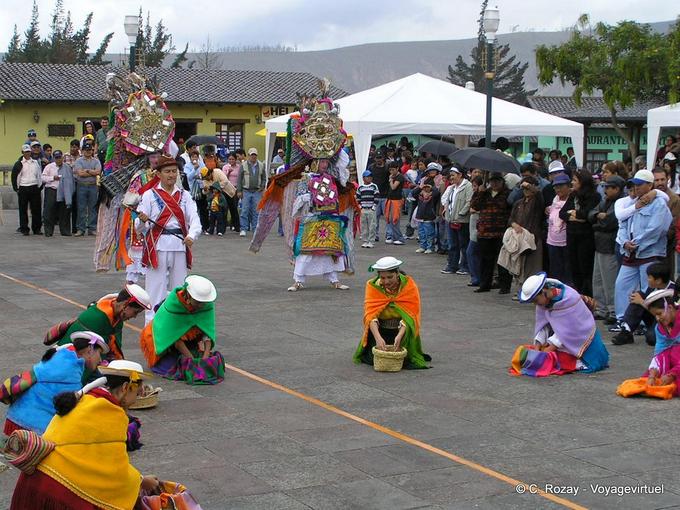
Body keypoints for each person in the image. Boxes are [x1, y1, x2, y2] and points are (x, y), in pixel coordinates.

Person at [8, 360, 164, 510]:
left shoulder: (88, 399)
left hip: (33, 483)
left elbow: (100, 460)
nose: (136, 399)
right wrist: (141, 481)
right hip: (58, 489)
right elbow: (115, 471)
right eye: (136, 392)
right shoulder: (110, 413)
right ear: (125, 387)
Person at [136, 155, 202, 323]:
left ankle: (177, 327)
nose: (172, 175)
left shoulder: (185, 195)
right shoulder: (149, 195)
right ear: (158, 174)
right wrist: (142, 220)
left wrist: (191, 235)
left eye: (174, 171)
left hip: (180, 244)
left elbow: (194, 218)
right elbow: (139, 227)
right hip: (157, 246)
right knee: (154, 290)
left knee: (179, 290)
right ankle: (151, 329)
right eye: (167, 172)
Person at [2, 332, 107, 436]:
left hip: (16, 417)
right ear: (90, 350)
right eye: (99, 353)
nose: (100, 359)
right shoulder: (71, 374)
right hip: (34, 428)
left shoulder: (60, 358)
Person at [510, 272, 610, 377]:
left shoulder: (568, 300)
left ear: (544, 292)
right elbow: (543, 326)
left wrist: (545, 353)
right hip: (560, 340)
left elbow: (566, 332)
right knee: (532, 354)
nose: (535, 304)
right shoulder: (543, 302)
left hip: (580, 340)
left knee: (554, 361)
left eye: (535, 300)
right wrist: (537, 347)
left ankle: (579, 362)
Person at [613, 170, 673, 332]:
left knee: (648, 288)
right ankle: (623, 320)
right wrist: (625, 242)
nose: (636, 188)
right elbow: (623, 223)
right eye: (635, 184)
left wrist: (636, 243)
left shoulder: (659, 203)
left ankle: (647, 322)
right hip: (630, 253)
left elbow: (657, 229)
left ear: (649, 185)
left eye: (640, 184)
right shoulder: (635, 202)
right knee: (622, 285)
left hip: (649, 252)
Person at [139, 275, 224, 385]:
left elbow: (206, 331)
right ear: (188, 296)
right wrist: (193, 362)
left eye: (204, 303)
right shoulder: (173, 307)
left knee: (205, 364)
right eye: (198, 302)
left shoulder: (206, 305)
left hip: (190, 340)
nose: (201, 306)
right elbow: (176, 340)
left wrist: (205, 358)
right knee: (174, 368)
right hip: (166, 342)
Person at [353, 257, 431, 369]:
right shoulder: (372, 286)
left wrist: (399, 336)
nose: (386, 281)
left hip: (401, 330)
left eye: (390, 277)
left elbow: (411, 315)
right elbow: (370, 315)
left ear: (397, 273)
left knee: (406, 359)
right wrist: (378, 339)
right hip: (380, 329)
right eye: (383, 278)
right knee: (372, 359)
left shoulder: (409, 286)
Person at [58, 284, 151, 360]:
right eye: (135, 312)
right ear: (125, 304)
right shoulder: (97, 318)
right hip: (69, 362)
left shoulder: (117, 319)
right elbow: (88, 357)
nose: (134, 316)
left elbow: (115, 350)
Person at [617, 289, 680, 400]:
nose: (657, 318)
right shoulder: (660, 328)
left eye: (659, 314)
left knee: (675, 351)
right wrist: (652, 374)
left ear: (669, 307)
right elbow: (659, 353)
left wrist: (671, 374)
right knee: (666, 355)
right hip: (675, 364)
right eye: (655, 315)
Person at [588, 175, 625, 321]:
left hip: (610, 246)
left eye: (608, 187)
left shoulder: (621, 203)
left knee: (609, 281)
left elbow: (610, 222)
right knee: (597, 280)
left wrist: (598, 221)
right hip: (599, 245)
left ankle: (612, 310)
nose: (605, 190)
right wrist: (598, 217)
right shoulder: (605, 202)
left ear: (616, 188)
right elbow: (591, 215)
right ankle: (601, 308)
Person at [611, 263, 674, 346]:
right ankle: (626, 331)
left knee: (651, 339)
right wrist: (638, 300)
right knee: (638, 296)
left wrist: (641, 302)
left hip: (666, 322)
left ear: (658, 280)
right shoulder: (653, 287)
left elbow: (665, 315)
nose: (647, 279)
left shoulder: (672, 292)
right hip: (653, 317)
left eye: (649, 277)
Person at [560, 170, 600, 296]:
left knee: (585, 269)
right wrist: (573, 215)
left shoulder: (594, 196)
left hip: (586, 238)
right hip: (572, 236)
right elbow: (562, 213)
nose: (572, 182)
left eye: (575, 180)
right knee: (574, 268)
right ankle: (577, 294)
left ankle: (587, 296)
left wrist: (574, 214)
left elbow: (586, 215)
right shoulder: (573, 195)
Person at [470, 172, 512, 294]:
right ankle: (484, 284)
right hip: (484, 232)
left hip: (501, 231)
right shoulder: (484, 192)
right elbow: (474, 206)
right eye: (492, 181)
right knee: (485, 260)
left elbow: (509, 207)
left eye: (497, 181)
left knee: (503, 261)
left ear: (502, 181)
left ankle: (505, 285)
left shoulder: (507, 193)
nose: (494, 183)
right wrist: (480, 192)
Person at [506, 175, 544, 285]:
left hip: (534, 237)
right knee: (520, 265)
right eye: (524, 189)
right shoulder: (518, 203)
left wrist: (529, 185)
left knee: (533, 266)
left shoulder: (537, 201)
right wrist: (514, 224)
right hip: (519, 238)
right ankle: (521, 288)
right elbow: (510, 218)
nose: (526, 191)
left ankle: (533, 289)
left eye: (528, 188)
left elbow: (539, 194)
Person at [440, 167, 473, 274]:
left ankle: (464, 267)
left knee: (464, 244)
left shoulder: (468, 186)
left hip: (462, 221)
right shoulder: (452, 188)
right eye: (451, 175)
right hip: (451, 220)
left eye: (453, 174)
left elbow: (469, 202)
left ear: (460, 175)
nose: (451, 177)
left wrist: (461, 214)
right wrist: (447, 212)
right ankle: (452, 266)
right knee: (452, 245)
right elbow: (446, 200)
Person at [41, 150, 74, 237]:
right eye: (57, 158)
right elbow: (43, 178)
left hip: (63, 191)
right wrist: (52, 178)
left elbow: (71, 179)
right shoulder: (49, 167)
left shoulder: (67, 167)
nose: (58, 160)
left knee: (64, 211)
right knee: (49, 211)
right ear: (54, 158)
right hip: (52, 189)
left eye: (60, 157)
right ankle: (48, 231)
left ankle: (65, 230)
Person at [11, 143, 43, 236]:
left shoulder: (35, 163)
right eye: (25, 152)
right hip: (23, 187)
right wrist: (16, 189)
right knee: (23, 209)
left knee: (36, 209)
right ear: (22, 153)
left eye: (28, 152)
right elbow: (14, 177)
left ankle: (37, 229)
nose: (27, 154)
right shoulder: (18, 164)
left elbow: (39, 174)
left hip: (34, 186)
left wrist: (39, 186)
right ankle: (24, 228)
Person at [546, 173, 571, 283]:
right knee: (555, 271)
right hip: (552, 241)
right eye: (556, 186)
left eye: (561, 186)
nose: (558, 189)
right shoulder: (554, 201)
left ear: (568, 186)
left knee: (567, 270)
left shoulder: (572, 200)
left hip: (566, 242)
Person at [237, 147, 267, 237]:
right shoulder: (244, 165)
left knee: (256, 211)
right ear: (249, 156)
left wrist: (262, 187)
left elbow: (264, 178)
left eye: (255, 155)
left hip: (257, 191)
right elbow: (239, 179)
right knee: (244, 210)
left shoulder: (261, 165)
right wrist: (239, 190)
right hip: (246, 191)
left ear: (257, 156)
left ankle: (255, 229)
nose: (253, 157)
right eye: (251, 155)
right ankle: (243, 229)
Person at [73, 142, 101, 237]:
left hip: (93, 186)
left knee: (93, 207)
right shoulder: (79, 161)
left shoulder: (96, 160)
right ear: (83, 151)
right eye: (86, 150)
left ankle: (92, 228)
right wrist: (91, 172)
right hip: (81, 185)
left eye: (90, 150)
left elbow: (98, 172)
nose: (88, 152)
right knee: (81, 208)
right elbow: (80, 174)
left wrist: (87, 171)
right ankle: (81, 229)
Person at [466, 176, 484, 287]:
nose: (473, 188)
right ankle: (475, 276)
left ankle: (476, 277)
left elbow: (475, 208)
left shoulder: (482, 195)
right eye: (473, 186)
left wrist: (474, 209)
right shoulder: (475, 195)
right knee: (473, 253)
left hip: (479, 229)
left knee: (471, 252)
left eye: (475, 186)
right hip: (473, 228)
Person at [412, 183, 440, 254]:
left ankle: (430, 247)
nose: (426, 188)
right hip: (420, 217)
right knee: (421, 233)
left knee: (429, 234)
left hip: (429, 217)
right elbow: (413, 193)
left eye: (428, 187)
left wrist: (432, 187)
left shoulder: (432, 195)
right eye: (424, 187)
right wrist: (420, 187)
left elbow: (437, 193)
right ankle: (422, 247)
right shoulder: (420, 195)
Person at [369, 153, 389, 242]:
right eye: (377, 158)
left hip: (385, 195)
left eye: (380, 157)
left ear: (383, 158)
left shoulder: (387, 168)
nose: (378, 159)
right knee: (374, 217)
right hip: (375, 196)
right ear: (374, 158)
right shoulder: (371, 168)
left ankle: (389, 235)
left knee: (387, 217)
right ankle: (375, 235)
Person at [357, 170, 379, 248]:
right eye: (367, 177)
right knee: (363, 225)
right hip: (363, 209)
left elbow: (376, 196)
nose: (369, 178)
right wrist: (360, 207)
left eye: (370, 177)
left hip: (371, 209)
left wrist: (374, 206)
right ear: (363, 178)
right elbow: (358, 197)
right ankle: (365, 240)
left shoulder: (374, 186)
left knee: (372, 225)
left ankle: (371, 241)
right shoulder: (360, 187)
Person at [385, 162, 405, 245]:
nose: (391, 172)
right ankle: (393, 237)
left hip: (396, 200)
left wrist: (390, 180)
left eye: (393, 170)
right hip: (391, 199)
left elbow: (393, 187)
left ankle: (399, 238)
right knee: (390, 219)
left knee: (395, 219)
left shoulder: (400, 177)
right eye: (390, 170)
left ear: (397, 168)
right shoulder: (394, 176)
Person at [222, 152, 241, 232]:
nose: (231, 161)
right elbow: (223, 179)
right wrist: (228, 172)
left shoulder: (239, 167)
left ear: (236, 160)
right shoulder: (225, 167)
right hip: (226, 189)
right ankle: (222, 227)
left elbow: (240, 178)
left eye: (233, 159)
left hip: (235, 188)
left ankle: (236, 226)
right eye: (229, 159)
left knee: (234, 208)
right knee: (224, 208)